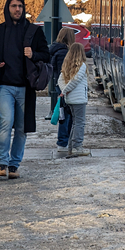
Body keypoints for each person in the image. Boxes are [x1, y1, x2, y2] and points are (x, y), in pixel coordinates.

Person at [0, 0, 50, 179]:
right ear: (7, 8)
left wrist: (33, 54)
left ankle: (14, 165)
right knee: (6, 122)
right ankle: (2, 163)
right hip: (4, 86)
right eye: (14, 6)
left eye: (20, 6)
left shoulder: (33, 31)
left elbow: (46, 55)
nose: (17, 9)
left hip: (25, 88)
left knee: (22, 128)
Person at [58, 42, 89, 157]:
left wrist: (64, 90)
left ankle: (71, 147)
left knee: (75, 123)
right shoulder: (82, 65)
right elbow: (75, 80)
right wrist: (65, 91)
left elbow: (60, 80)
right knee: (80, 123)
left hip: (70, 99)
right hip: (79, 100)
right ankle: (77, 147)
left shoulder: (66, 65)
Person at [49, 27, 76, 155]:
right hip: (64, 87)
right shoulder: (64, 53)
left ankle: (64, 141)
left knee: (64, 113)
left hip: (59, 85)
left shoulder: (55, 50)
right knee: (66, 114)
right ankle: (63, 142)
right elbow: (64, 72)